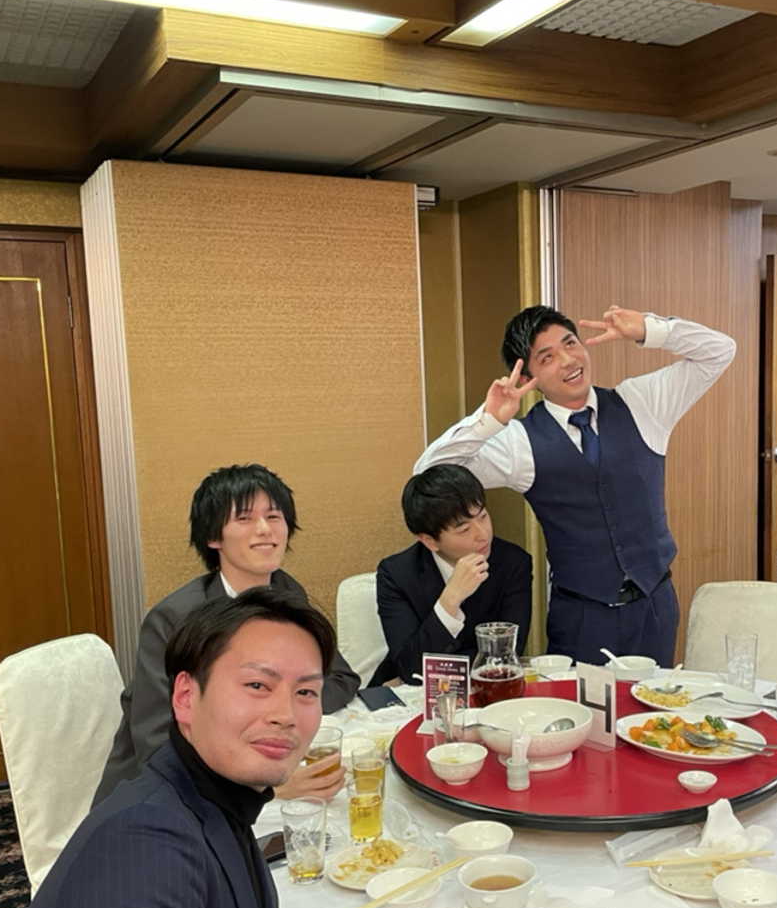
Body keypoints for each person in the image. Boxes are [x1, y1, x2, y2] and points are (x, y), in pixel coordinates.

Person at [0, 587, 332, 908]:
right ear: (185, 697)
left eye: (305, 692)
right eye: (256, 686)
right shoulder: (140, 847)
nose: (285, 715)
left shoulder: (219, 806)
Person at [415, 304, 734, 667]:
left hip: (654, 607)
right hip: (582, 618)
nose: (568, 360)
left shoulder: (641, 403)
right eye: (548, 357)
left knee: (652, 704)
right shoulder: (520, 442)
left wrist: (650, 329)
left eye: (570, 343)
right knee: (582, 706)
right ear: (528, 378)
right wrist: (488, 420)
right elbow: (427, 474)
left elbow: (720, 351)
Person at [94, 463, 356, 805]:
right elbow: (157, 742)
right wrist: (267, 784)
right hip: (162, 799)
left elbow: (341, 678)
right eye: (245, 518)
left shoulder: (286, 592)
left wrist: (284, 715)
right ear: (213, 537)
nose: (265, 530)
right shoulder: (175, 618)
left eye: (274, 516)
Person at [371, 465, 532, 686]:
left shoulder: (513, 563)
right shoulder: (397, 574)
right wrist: (450, 599)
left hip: (484, 689)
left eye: (483, 516)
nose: (483, 534)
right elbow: (411, 668)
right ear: (430, 541)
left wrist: (437, 669)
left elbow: (506, 653)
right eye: (464, 529)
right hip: (404, 696)